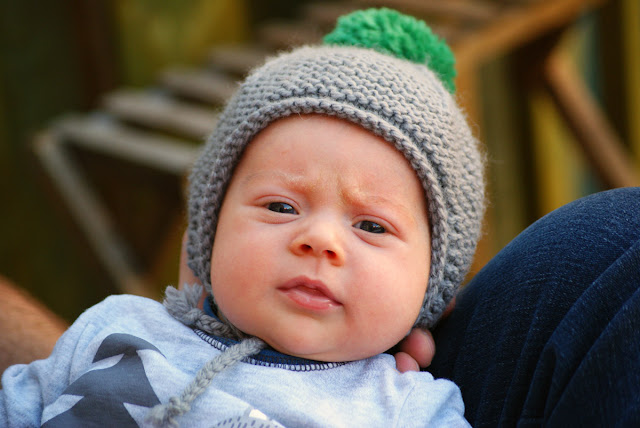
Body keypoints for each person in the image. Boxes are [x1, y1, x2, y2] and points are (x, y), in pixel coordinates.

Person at [1, 8, 485, 427]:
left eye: (372, 226)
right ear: (205, 237)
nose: (318, 239)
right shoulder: (113, 329)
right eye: (280, 207)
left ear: (433, 292)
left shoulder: (407, 411)